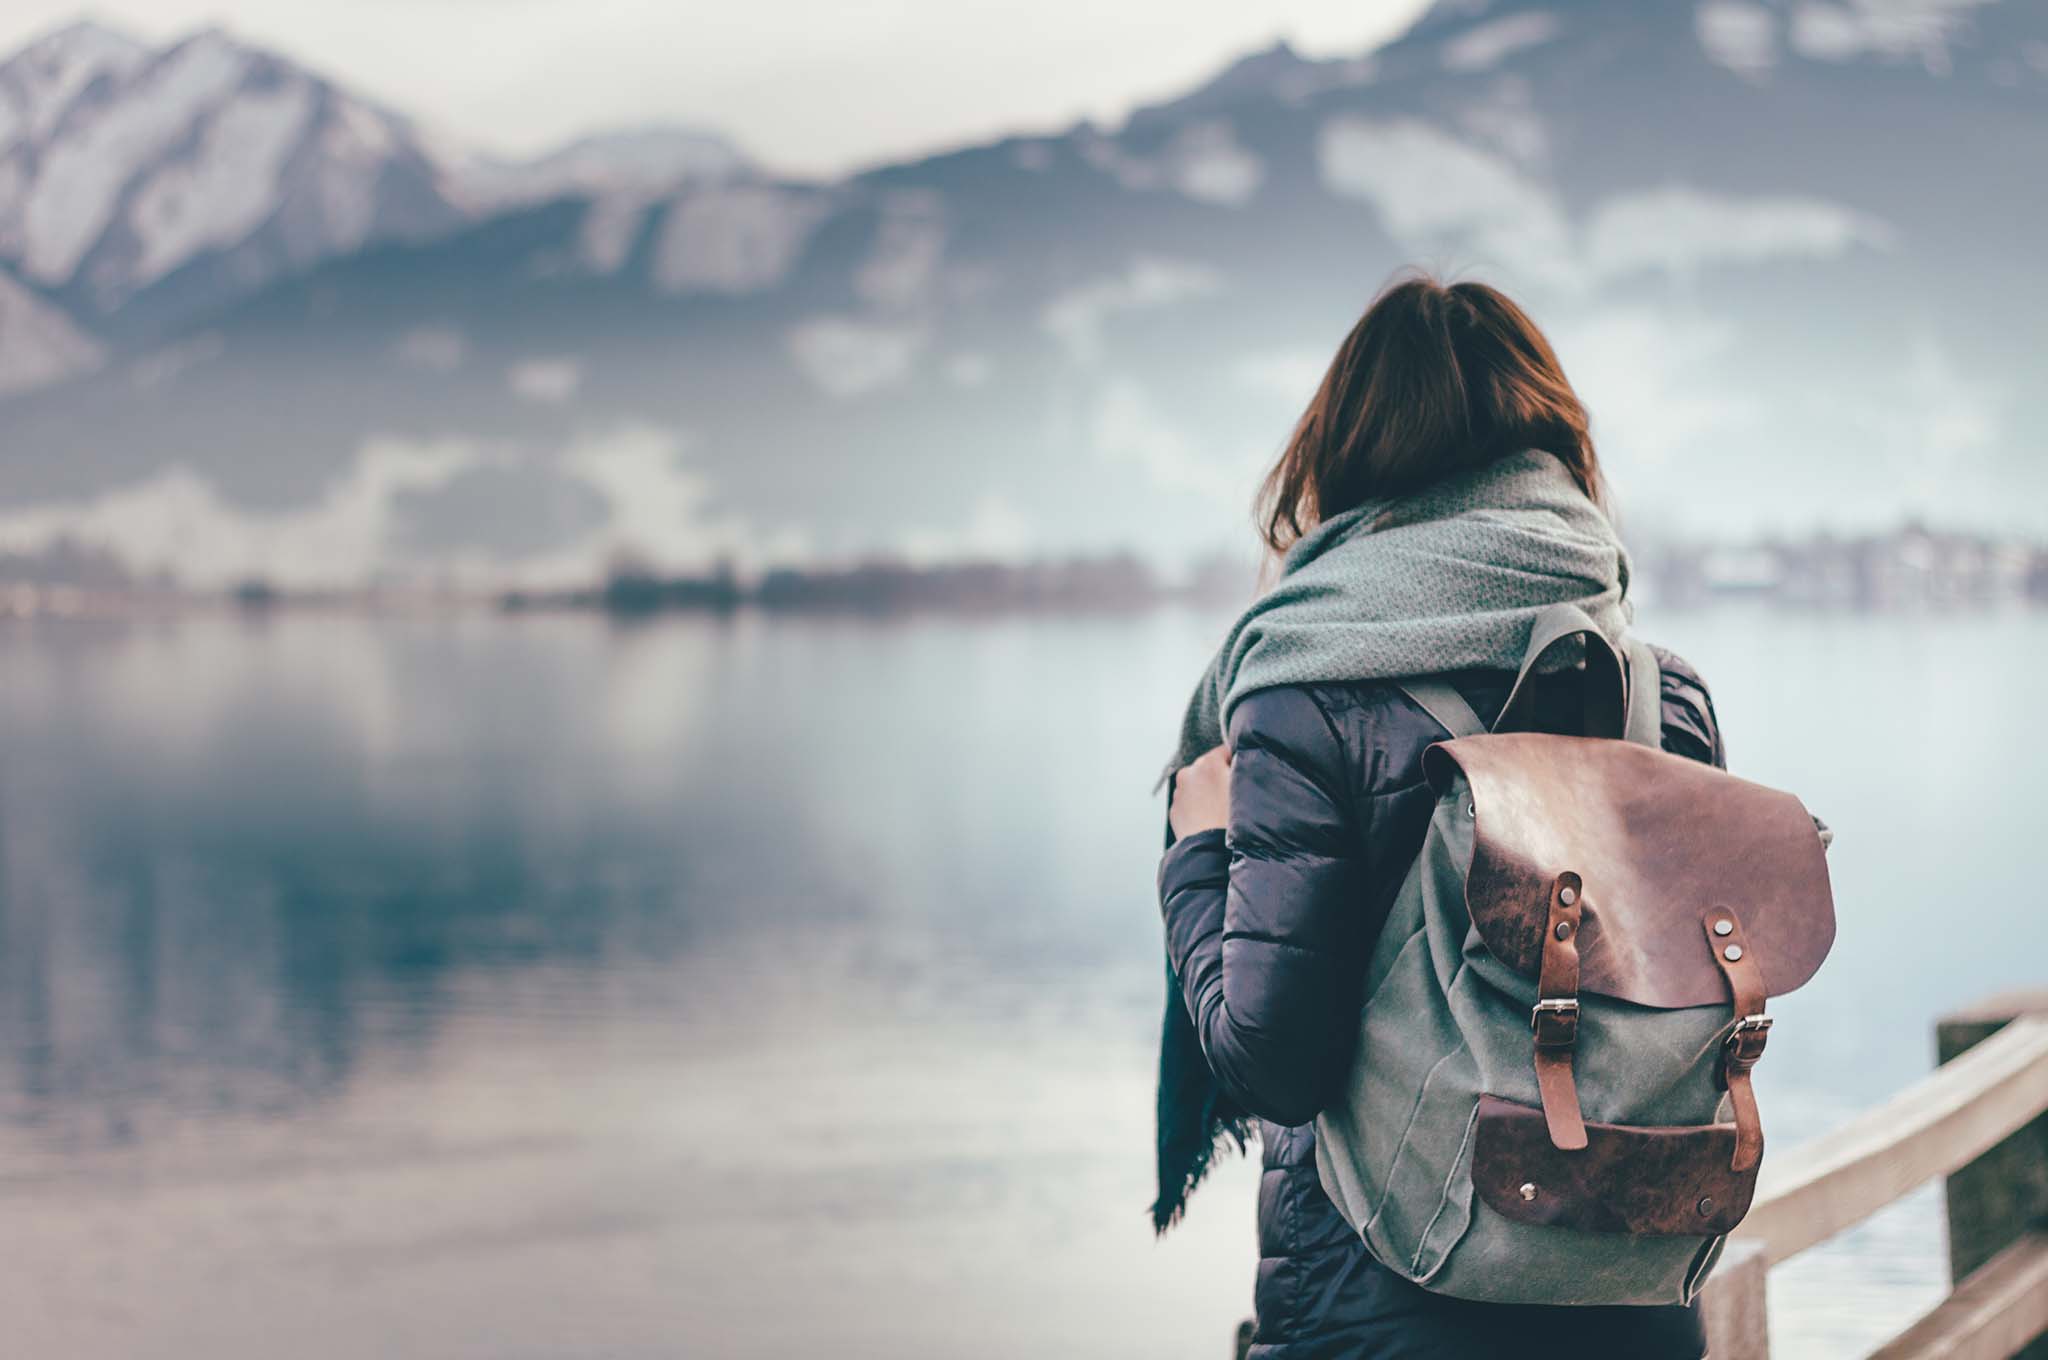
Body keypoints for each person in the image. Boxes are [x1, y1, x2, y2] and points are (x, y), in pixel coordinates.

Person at [1154, 274, 1725, 1359]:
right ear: (1552, 448)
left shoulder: (1301, 697)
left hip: (1384, 1309)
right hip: (1630, 1295)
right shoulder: (1660, 697)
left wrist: (1197, 852)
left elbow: (1271, 1059)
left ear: (1346, 455)